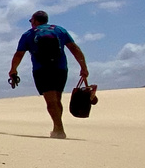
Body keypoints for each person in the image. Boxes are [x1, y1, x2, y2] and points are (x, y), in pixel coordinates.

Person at [8, 10, 88, 139]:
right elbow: (74, 48)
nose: (30, 23)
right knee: (57, 99)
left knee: (51, 101)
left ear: (34, 20)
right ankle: (57, 127)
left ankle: (59, 130)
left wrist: (13, 70)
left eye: (30, 21)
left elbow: (19, 54)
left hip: (42, 70)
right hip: (61, 69)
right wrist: (83, 67)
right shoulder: (60, 30)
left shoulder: (28, 34)